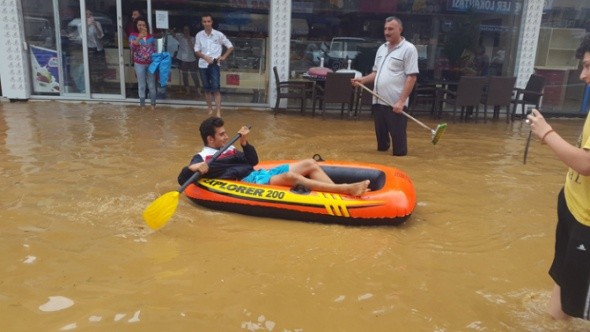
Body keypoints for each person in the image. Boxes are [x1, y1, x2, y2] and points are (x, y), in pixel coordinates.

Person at [526, 34, 590, 321]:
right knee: (564, 280)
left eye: (589, 66)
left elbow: (587, 163)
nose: (582, 74)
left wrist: (547, 133)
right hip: (573, 206)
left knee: (581, 302)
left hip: (588, 222)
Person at [177, 117, 370, 197]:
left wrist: (245, 143)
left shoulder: (230, 148)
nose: (227, 137)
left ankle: (337, 193)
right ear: (210, 139)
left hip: (257, 174)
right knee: (292, 178)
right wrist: (195, 168)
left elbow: (252, 161)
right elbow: (182, 178)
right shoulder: (202, 157)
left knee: (310, 163)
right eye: (221, 135)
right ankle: (344, 189)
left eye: (226, 133)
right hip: (246, 183)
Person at [352, 16, 418, 156]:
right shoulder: (381, 48)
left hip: (395, 104)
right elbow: (376, 72)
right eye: (385, 29)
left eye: (391, 29)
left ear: (400, 29)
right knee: (381, 146)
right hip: (378, 102)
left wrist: (401, 101)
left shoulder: (409, 49)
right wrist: (362, 80)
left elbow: (411, 77)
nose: (387, 32)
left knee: (399, 150)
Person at [194, 14, 234, 118]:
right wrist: (204, 57)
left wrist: (224, 57)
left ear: (212, 22)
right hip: (203, 64)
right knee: (207, 89)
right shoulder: (199, 35)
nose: (207, 23)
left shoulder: (219, 35)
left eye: (208, 21)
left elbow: (230, 46)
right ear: (202, 23)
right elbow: (196, 50)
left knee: (216, 88)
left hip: (215, 64)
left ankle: (218, 112)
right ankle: (209, 109)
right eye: (204, 21)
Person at [129, 17, 157, 109]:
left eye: (143, 25)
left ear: (147, 26)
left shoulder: (151, 37)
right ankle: (142, 106)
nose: (141, 27)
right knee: (141, 85)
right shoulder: (133, 36)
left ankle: (153, 106)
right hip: (139, 64)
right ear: (136, 26)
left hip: (150, 64)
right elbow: (132, 48)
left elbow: (155, 50)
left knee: (152, 85)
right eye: (139, 25)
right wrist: (139, 37)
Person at [172, 25, 202, 96]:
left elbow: (195, 49)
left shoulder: (193, 39)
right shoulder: (180, 38)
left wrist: (189, 40)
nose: (186, 32)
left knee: (194, 75)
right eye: (185, 30)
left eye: (187, 30)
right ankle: (187, 91)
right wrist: (172, 29)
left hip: (192, 59)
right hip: (183, 59)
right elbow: (173, 34)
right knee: (184, 76)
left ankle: (199, 91)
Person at [85, 10, 107, 92]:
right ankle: (92, 87)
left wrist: (95, 26)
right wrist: (87, 26)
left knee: (100, 68)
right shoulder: (82, 24)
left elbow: (100, 35)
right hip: (90, 48)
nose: (89, 15)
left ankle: (101, 85)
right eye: (87, 14)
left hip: (99, 48)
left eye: (90, 14)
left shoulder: (97, 23)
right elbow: (82, 36)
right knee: (91, 68)